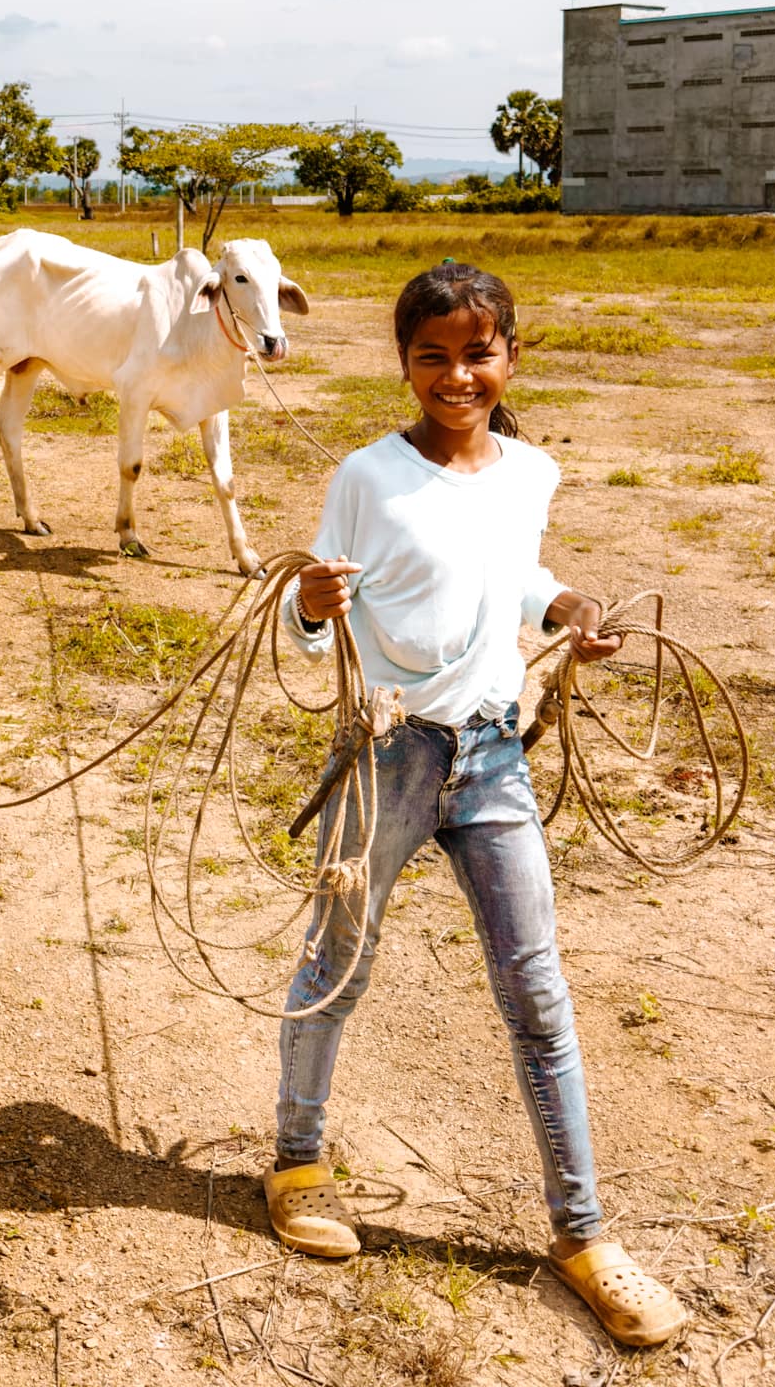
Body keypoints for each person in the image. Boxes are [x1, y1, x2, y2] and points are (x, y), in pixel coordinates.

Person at [266, 261, 685, 1349]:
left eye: (478, 351)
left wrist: (570, 605)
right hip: (391, 751)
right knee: (336, 963)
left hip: (494, 758)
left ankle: (584, 1231)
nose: (458, 373)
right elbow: (319, 622)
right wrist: (312, 606)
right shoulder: (366, 475)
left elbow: (514, 567)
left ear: (511, 354)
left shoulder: (530, 467)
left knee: (537, 993)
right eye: (433, 354)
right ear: (403, 362)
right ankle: (298, 1163)